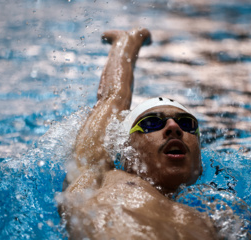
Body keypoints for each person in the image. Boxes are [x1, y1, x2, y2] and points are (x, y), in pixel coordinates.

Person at [58, 28, 219, 239]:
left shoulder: (214, 216)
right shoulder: (101, 178)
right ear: (126, 151)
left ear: (199, 161)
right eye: (152, 123)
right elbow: (111, 99)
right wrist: (126, 43)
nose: (174, 128)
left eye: (187, 123)